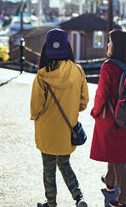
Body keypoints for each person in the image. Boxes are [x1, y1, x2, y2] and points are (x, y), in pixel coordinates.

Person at [30, 28, 89, 207]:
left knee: (48, 168)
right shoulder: (77, 71)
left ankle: (51, 202)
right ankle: (78, 197)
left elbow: (36, 107)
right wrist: (72, 110)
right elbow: (84, 101)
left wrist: (37, 117)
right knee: (64, 164)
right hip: (67, 129)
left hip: (47, 130)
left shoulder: (42, 76)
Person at [90, 29, 126, 207]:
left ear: (115, 45)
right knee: (118, 152)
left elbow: (101, 95)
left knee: (120, 161)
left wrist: (95, 112)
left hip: (113, 119)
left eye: (110, 41)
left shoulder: (109, 66)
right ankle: (110, 182)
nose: (108, 44)